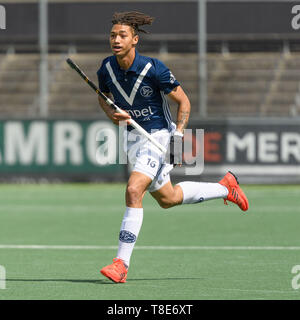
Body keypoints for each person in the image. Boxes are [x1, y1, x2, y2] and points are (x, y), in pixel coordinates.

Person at [97, 11, 249, 283]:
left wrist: (177, 139)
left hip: (159, 137)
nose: (116, 40)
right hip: (132, 138)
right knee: (168, 199)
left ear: (134, 40)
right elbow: (104, 98)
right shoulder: (106, 69)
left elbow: (184, 101)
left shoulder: (153, 68)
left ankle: (121, 264)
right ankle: (227, 187)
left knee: (133, 190)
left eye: (122, 35)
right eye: (112, 35)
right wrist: (112, 115)